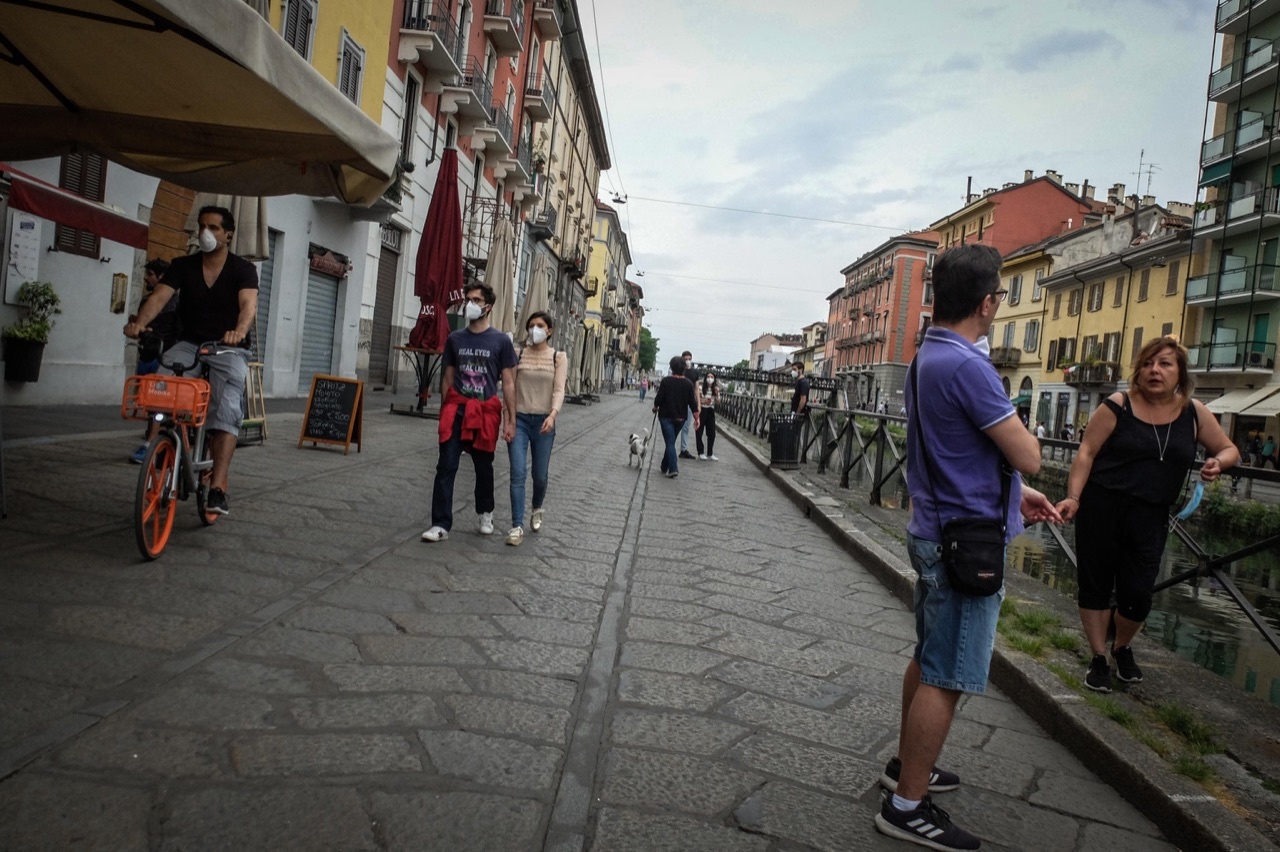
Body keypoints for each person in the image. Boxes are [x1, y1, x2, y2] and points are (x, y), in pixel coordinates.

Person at [877, 244, 1062, 852]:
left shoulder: (926, 356)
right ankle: (907, 806)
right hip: (965, 543)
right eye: (1001, 295)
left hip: (935, 526)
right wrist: (1024, 472)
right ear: (987, 303)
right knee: (946, 675)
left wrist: (1015, 496)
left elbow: (953, 450)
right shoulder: (970, 367)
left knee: (927, 655)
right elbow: (1028, 453)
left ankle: (907, 767)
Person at [1055, 337, 1238, 693]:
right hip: (1102, 507)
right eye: (1148, 364)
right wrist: (1073, 497)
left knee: (1138, 593)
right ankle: (1098, 657)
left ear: (1180, 373)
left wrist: (1219, 462)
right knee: (1095, 585)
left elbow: (1230, 449)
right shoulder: (1117, 405)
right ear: (1139, 371)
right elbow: (1086, 453)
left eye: (1165, 364)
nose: (1155, 370)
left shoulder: (1194, 413)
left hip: (1152, 514)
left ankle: (1122, 646)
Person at [124, 206, 257, 515]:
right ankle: (164, 441)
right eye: (202, 226)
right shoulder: (183, 265)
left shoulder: (242, 269)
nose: (206, 233)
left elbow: (248, 305)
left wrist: (238, 332)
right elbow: (159, 297)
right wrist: (140, 324)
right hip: (190, 344)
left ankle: (218, 488)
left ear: (228, 235)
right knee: (163, 383)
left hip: (227, 347)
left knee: (226, 411)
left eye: (213, 228)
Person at [421, 283, 518, 543]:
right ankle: (440, 524)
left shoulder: (501, 341)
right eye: (468, 299)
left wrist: (511, 420)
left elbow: (509, 383)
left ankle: (486, 512)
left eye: (476, 300)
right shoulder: (455, 339)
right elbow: (447, 377)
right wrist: (445, 411)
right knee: (446, 465)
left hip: (484, 413)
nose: (470, 304)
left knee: (483, 467)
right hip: (457, 409)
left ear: (489, 306)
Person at [505, 311, 566, 546]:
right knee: (517, 473)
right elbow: (509, 388)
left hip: (544, 421)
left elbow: (559, 389)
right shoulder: (518, 354)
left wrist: (553, 414)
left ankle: (537, 506)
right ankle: (516, 526)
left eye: (540, 325)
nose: (534, 330)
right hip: (519, 419)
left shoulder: (558, 357)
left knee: (539, 475)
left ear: (549, 331)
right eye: (531, 325)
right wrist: (508, 419)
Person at [128, 258, 177, 463]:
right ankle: (152, 440)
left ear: (162, 277)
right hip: (148, 354)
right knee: (150, 404)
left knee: (157, 402)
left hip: (163, 357)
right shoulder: (148, 300)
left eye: (150, 274)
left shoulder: (174, 302)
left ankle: (151, 443)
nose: (146, 278)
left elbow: (173, 330)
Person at [654, 355, 699, 479]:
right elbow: (692, 403)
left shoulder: (666, 381)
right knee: (671, 441)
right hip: (681, 418)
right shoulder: (688, 384)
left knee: (670, 442)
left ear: (671, 368)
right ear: (684, 368)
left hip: (666, 417)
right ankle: (664, 466)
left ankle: (673, 468)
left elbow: (659, 398)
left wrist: (655, 407)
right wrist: (697, 418)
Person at [678, 350, 701, 459]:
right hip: (679, 402)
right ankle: (670, 446)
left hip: (689, 403)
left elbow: (697, 389)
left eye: (689, 359)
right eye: (685, 359)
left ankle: (684, 449)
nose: (687, 361)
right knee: (676, 424)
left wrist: (698, 404)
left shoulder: (695, 372)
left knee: (686, 427)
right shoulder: (679, 370)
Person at [696, 370, 720, 460]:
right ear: (705, 378)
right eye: (708, 377)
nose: (710, 379)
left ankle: (710, 453)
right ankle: (701, 452)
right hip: (702, 409)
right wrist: (704, 401)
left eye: (712, 377)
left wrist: (717, 394)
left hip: (710, 410)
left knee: (712, 433)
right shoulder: (701, 388)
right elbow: (697, 400)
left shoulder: (715, 389)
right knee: (699, 431)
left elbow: (718, 402)